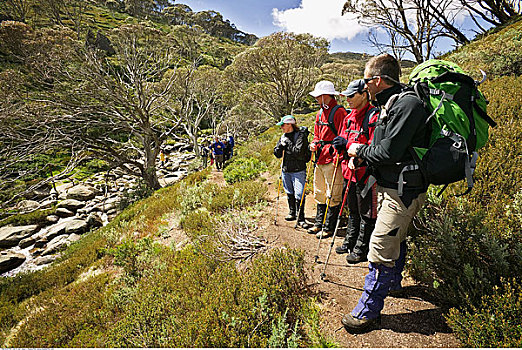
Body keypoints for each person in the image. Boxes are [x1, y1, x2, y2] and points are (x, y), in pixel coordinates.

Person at [341, 54, 429, 333]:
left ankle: (369, 310)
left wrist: (358, 151)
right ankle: (393, 282)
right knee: (395, 238)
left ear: (378, 80)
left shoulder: (407, 105)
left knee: (379, 245)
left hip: (403, 189)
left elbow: (390, 152)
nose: (365, 87)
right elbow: (387, 149)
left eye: (367, 81)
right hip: (391, 184)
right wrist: (366, 158)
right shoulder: (390, 104)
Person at [332, 79, 379, 264]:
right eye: (346, 96)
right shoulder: (348, 117)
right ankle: (350, 241)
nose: (348, 99)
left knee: (366, 213)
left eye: (351, 95)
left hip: (366, 174)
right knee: (352, 209)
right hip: (348, 172)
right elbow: (343, 136)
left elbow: (373, 146)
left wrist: (350, 146)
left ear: (364, 94)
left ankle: (361, 248)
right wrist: (339, 145)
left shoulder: (373, 116)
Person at [307, 80, 347, 238]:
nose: (316, 99)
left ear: (325, 96)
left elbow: (344, 134)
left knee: (333, 193)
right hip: (320, 158)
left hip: (333, 158)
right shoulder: (319, 114)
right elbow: (317, 134)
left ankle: (329, 226)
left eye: (318, 96)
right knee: (319, 191)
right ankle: (319, 223)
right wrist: (314, 144)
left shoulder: (339, 112)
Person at [273, 115, 312, 229]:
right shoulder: (283, 136)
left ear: (290, 124)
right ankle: (292, 212)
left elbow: (298, 152)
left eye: (283, 125)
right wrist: (280, 145)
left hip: (298, 170)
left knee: (299, 193)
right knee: (289, 191)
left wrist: (288, 144)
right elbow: (277, 154)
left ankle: (301, 218)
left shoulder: (300, 136)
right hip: (286, 169)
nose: (282, 128)